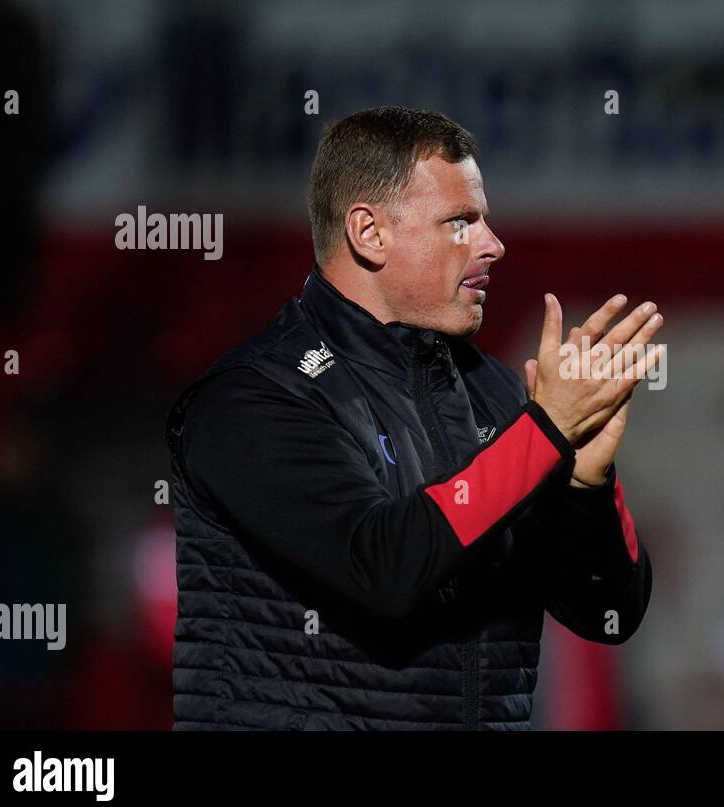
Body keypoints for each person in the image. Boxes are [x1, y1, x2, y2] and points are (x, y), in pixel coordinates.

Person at [165, 106, 663, 730]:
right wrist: (543, 435)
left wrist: (587, 486)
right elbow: (381, 568)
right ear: (369, 233)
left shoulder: (493, 392)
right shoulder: (252, 398)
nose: (493, 244)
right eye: (461, 221)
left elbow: (605, 613)